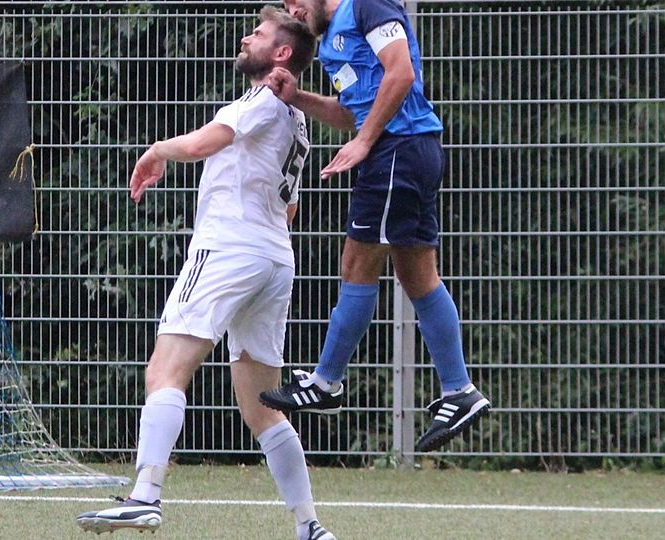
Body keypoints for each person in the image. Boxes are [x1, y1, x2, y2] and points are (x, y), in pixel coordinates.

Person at [76, 8, 336, 540]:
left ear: (281, 54)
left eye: (259, 34)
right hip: (273, 258)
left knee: (165, 370)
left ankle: (144, 497)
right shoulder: (297, 118)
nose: (248, 37)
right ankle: (309, 527)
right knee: (263, 407)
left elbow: (200, 145)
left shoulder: (262, 99)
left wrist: (156, 152)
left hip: (228, 248)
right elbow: (288, 209)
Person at [258, 0, 490, 453]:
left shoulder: (367, 4)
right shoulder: (332, 41)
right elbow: (352, 111)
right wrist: (298, 98)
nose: (292, 9)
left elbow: (400, 74)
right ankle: (459, 390)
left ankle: (326, 382)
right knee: (418, 276)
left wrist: (365, 142)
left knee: (356, 263)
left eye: (294, 0)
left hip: (397, 151)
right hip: (406, 150)